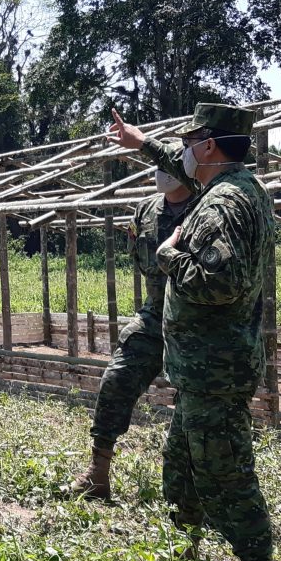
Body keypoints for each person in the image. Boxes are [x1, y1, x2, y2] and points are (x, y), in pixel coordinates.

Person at [108, 103, 281, 561]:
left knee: (226, 475)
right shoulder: (237, 189)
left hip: (215, 369)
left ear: (207, 144)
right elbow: (180, 167)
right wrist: (141, 143)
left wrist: (168, 254)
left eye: (189, 141)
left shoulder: (220, 205)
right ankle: (184, 554)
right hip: (205, 369)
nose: (182, 149)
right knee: (180, 467)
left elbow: (219, 283)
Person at [70, 155, 195, 500]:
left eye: (167, 165)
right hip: (156, 313)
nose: (160, 172)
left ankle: (195, 490)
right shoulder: (145, 209)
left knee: (197, 403)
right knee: (116, 379)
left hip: (198, 320)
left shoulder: (205, 207)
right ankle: (98, 474)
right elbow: (139, 257)